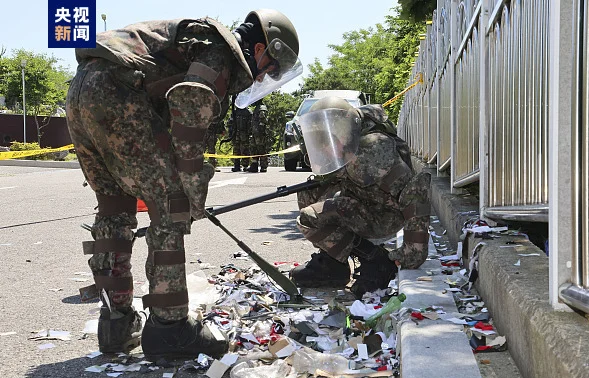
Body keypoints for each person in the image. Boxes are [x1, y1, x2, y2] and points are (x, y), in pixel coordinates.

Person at [65, 9, 301, 359]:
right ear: (261, 49)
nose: (265, 76)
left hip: (82, 91)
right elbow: (189, 101)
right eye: (271, 68)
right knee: (171, 209)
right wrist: (190, 186)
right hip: (118, 96)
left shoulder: (196, 43)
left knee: (114, 210)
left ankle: (116, 324)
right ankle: (170, 330)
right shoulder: (221, 51)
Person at [290, 96, 431, 299]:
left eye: (327, 141)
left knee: (317, 214)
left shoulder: (372, 151)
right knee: (308, 195)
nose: (324, 149)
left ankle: (375, 261)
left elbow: (414, 191)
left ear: (343, 134)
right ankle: (333, 264)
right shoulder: (347, 150)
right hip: (365, 201)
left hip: (386, 214)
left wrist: (413, 250)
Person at [250, 100, 270, 172]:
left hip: (260, 133)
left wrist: (260, 130)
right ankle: (254, 166)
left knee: (261, 148)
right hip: (255, 132)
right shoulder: (257, 108)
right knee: (254, 148)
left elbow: (263, 120)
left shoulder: (262, 108)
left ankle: (263, 166)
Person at [231, 106, 253, 172]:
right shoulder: (235, 112)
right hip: (236, 133)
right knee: (236, 149)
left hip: (245, 134)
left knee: (245, 149)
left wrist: (250, 134)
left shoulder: (248, 112)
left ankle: (245, 165)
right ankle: (236, 165)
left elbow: (251, 124)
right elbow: (231, 123)